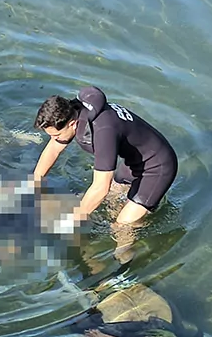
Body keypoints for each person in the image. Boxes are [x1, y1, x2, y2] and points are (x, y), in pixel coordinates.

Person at [33, 86, 177, 232]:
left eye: (56, 136)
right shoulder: (76, 108)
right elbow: (53, 149)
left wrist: (71, 223)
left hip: (158, 167)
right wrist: (36, 180)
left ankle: (123, 255)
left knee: (122, 227)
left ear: (72, 124)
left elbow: (100, 187)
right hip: (134, 161)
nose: (53, 139)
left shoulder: (102, 132)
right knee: (110, 200)